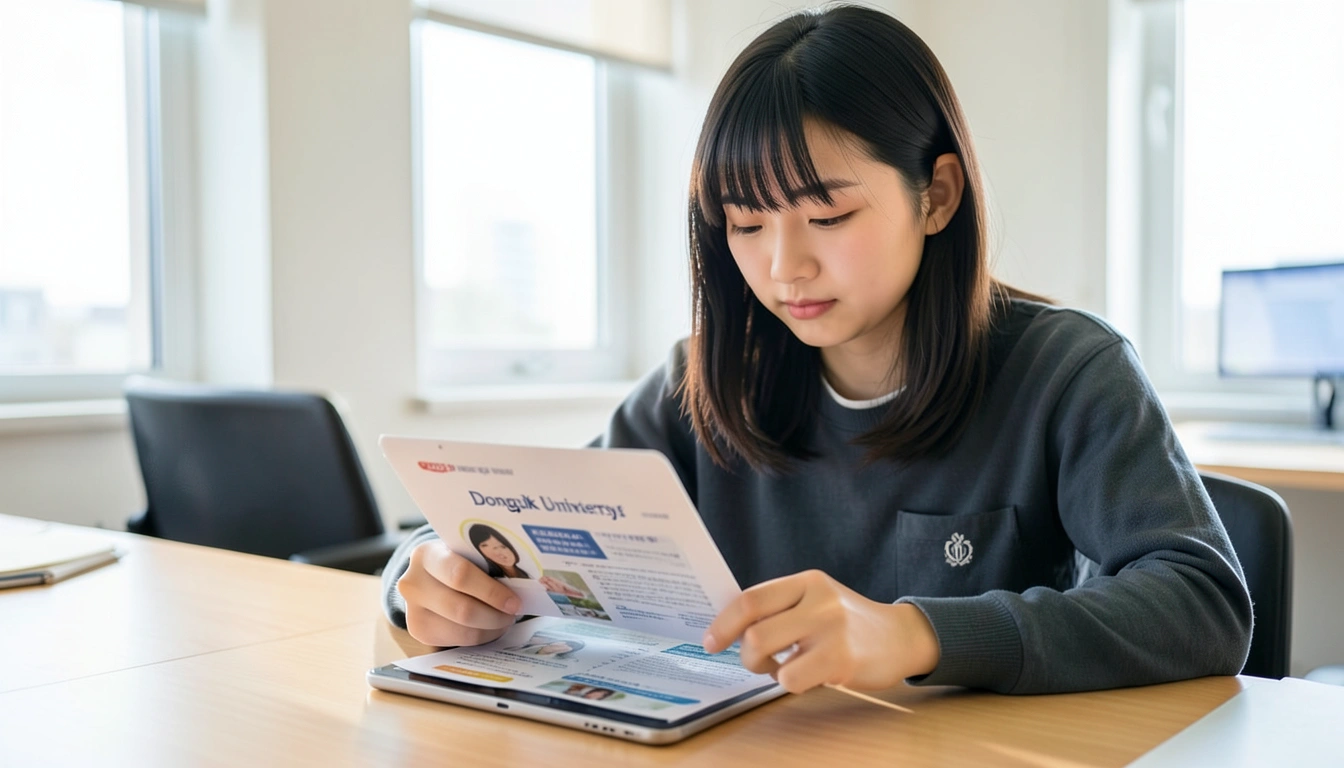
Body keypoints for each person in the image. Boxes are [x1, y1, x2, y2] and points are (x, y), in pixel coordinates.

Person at [384, 5, 1251, 695]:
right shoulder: (701, 384)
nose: (783, 266)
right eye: (746, 224)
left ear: (937, 195)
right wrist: (421, 575)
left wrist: (914, 633)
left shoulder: (1066, 373)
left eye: (828, 216)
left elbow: (1203, 602)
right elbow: (521, 530)